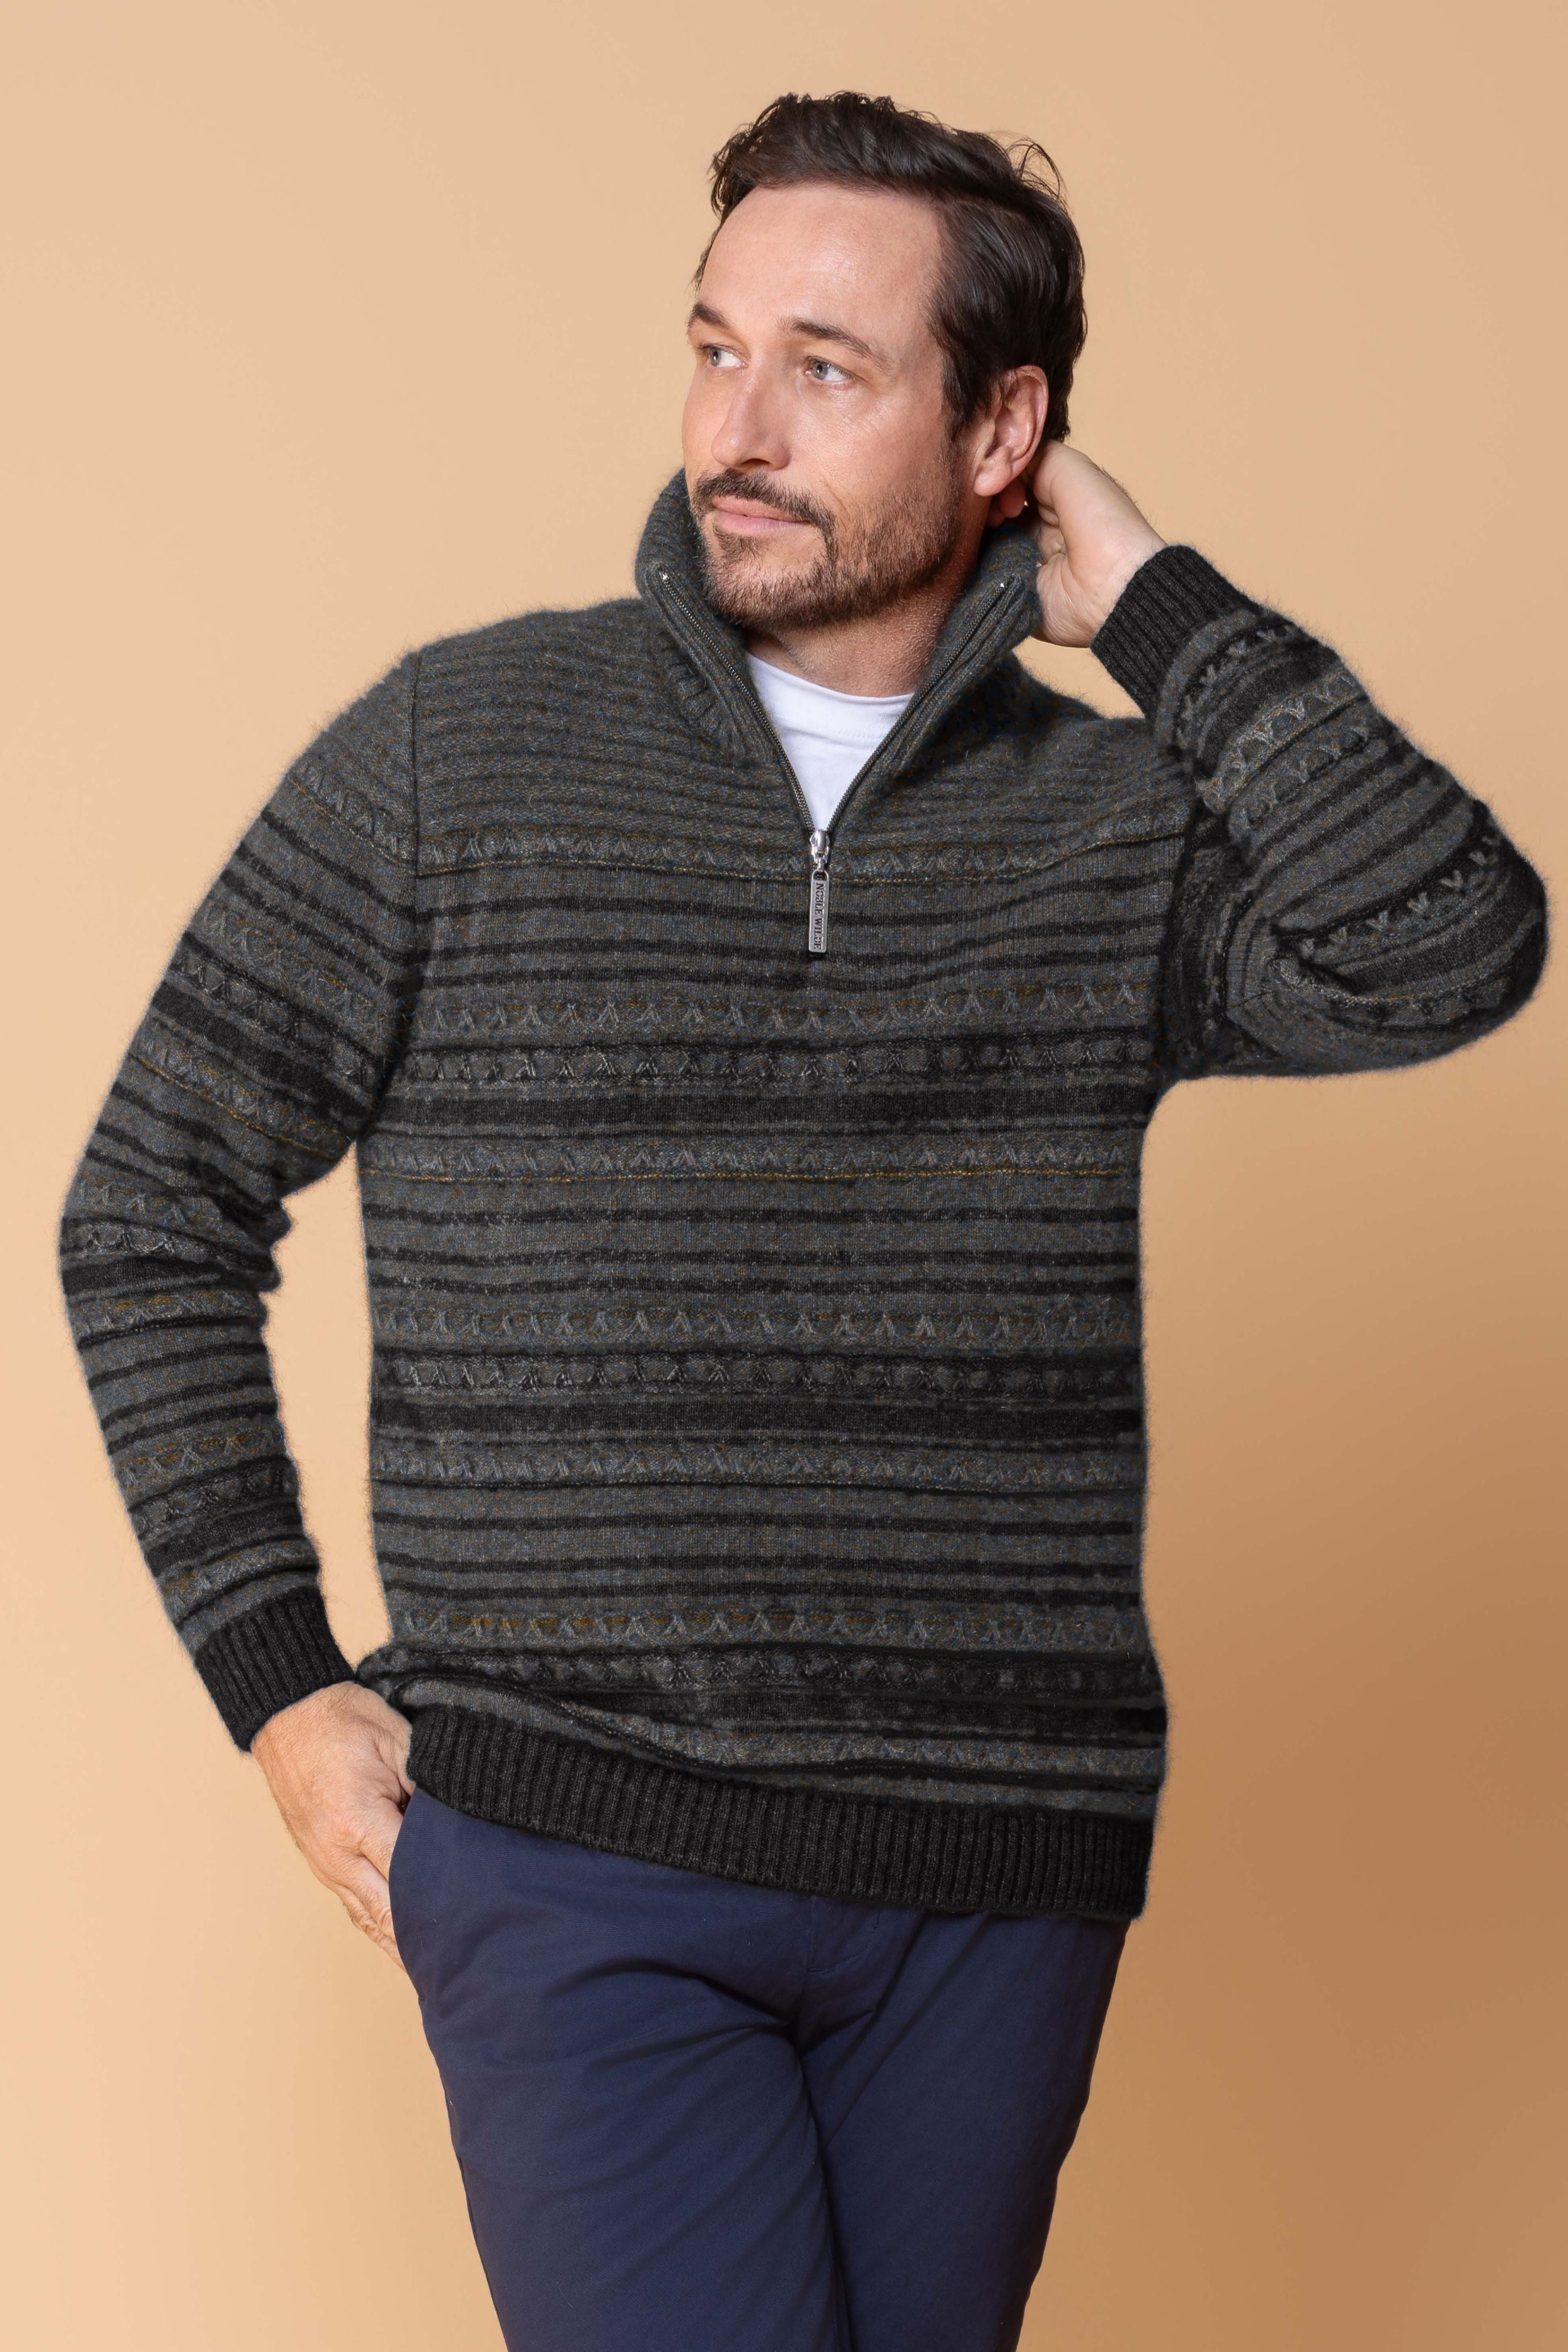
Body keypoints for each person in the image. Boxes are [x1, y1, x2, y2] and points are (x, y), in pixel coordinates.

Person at [60, 88, 1547, 2352]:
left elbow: (1451, 939)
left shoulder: (1114, 824)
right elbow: (150, 1202)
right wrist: (276, 1681)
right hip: (577, 1844)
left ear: (1001, 431)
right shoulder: (459, 755)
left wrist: (1159, 606)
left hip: (994, 1877)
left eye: (828, 370)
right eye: (716, 347)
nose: (736, 429)